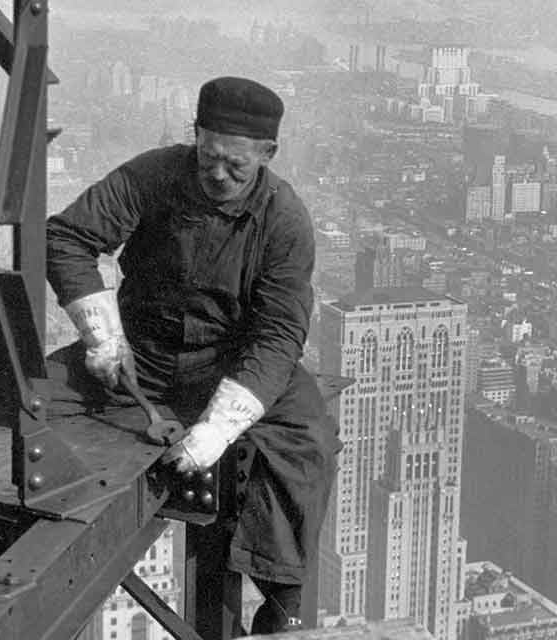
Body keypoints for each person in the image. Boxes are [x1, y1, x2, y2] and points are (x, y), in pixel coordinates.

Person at [45, 76, 338, 636]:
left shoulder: (284, 220)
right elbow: (69, 237)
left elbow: (277, 336)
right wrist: (102, 335)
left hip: (230, 364)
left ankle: (282, 598)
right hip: (140, 355)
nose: (218, 175)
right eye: (208, 157)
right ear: (195, 136)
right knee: (31, 394)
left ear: (267, 155)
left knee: (306, 438)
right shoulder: (153, 175)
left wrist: (215, 431)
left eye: (236, 166)